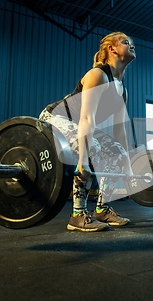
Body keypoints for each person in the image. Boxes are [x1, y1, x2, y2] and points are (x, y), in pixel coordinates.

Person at [39, 32, 136, 232]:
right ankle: (78, 214)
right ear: (112, 49)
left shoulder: (122, 90)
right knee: (93, 146)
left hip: (80, 125)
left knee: (117, 152)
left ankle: (102, 209)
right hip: (55, 118)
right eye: (126, 42)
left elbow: (120, 131)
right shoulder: (97, 75)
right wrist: (83, 160)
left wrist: (128, 165)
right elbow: (86, 118)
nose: (132, 46)